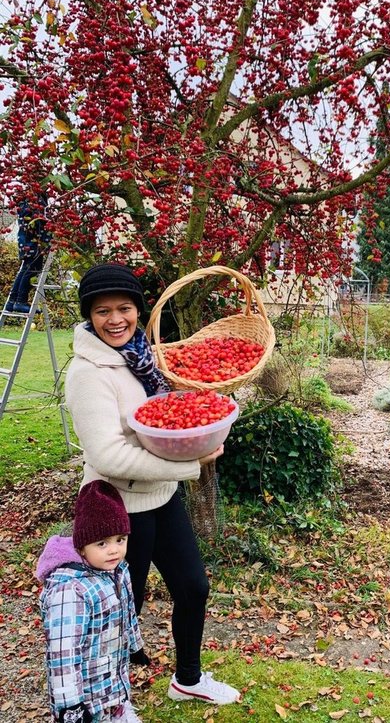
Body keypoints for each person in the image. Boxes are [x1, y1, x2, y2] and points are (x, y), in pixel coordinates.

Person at [64, 262, 240, 706]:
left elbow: (164, 418)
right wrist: (189, 466)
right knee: (123, 608)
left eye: (125, 307)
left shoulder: (143, 357)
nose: (116, 319)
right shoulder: (89, 373)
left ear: (138, 311)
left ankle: (188, 679)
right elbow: (107, 456)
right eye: (102, 311)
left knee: (193, 586)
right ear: (90, 316)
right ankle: (106, 702)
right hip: (118, 508)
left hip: (160, 496)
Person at [36, 480, 143, 723]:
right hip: (85, 694)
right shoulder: (71, 590)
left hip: (111, 677)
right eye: (102, 543)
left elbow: (127, 611)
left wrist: (135, 644)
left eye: (120, 539)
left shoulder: (117, 569)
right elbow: (62, 653)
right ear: (82, 546)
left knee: (115, 707)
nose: (114, 550)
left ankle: (119, 711)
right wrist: (70, 707)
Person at [6, 193, 51, 313]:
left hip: (25, 243)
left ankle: (11, 301)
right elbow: (39, 222)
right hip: (33, 244)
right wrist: (48, 240)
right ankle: (20, 301)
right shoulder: (35, 202)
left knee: (25, 270)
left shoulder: (26, 201)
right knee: (32, 270)